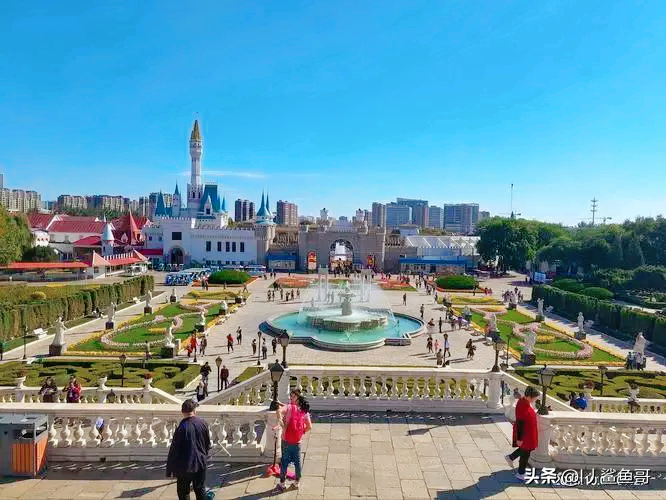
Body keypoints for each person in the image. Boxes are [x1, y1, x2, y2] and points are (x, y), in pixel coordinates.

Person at [167, 399, 211, 500]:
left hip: (185, 466)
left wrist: (171, 468)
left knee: (183, 491)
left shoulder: (182, 428)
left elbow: (175, 449)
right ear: (194, 411)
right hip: (200, 462)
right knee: (200, 489)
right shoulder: (202, 423)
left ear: (183, 412)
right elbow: (207, 443)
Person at [276, 390, 312, 492]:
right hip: (297, 441)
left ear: (296, 398)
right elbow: (310, 427)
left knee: (284, 462)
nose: (290, 398)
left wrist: (280, 422)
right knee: (297, 462)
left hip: (286, 440)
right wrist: (301, 432)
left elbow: (279, 411)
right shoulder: (304, 411)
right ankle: (296, 483)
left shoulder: (288, 407)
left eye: (292, 396)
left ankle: (282, 484)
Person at [505, 386, 540, 480]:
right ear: (530, 396)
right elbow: (520, 422)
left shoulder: (525, 402)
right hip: (525, 433)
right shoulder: (522, 405)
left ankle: (510, 457)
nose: (536, 399)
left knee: (526, 450)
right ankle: (521, 473)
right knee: (525, 453)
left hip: (528, 432)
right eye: (535, 397)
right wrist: (519, 438)